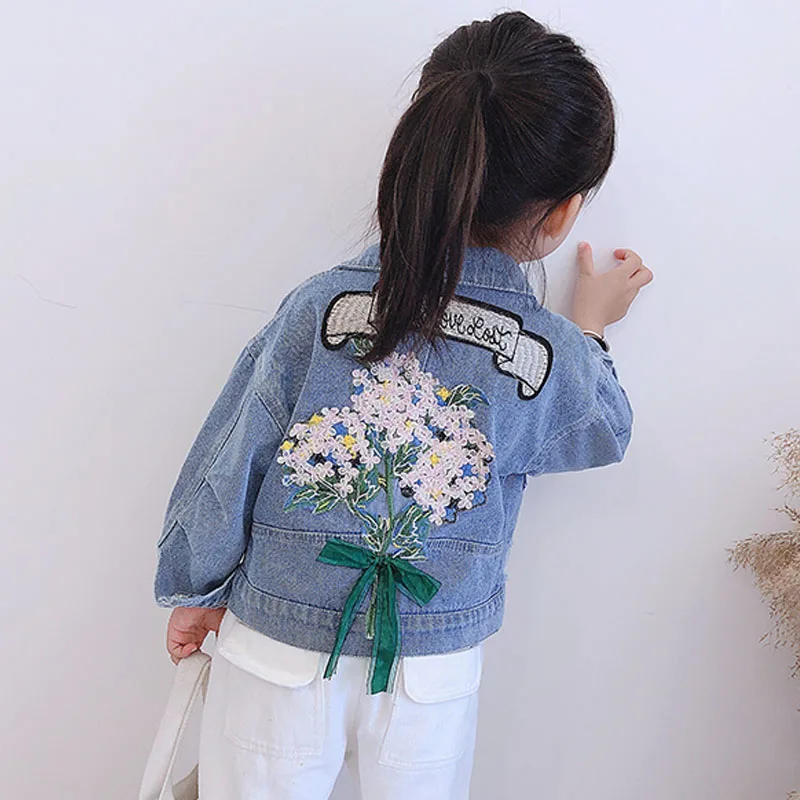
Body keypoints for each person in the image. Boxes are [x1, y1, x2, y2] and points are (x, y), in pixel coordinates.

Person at [154, 10, 653, 799]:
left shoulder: (318, 307)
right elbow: (604, 429)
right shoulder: (548, 350)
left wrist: (196, 584)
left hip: (277, 644)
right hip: (432, 671)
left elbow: (234, 450)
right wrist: (587, 329)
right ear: (561, 212)